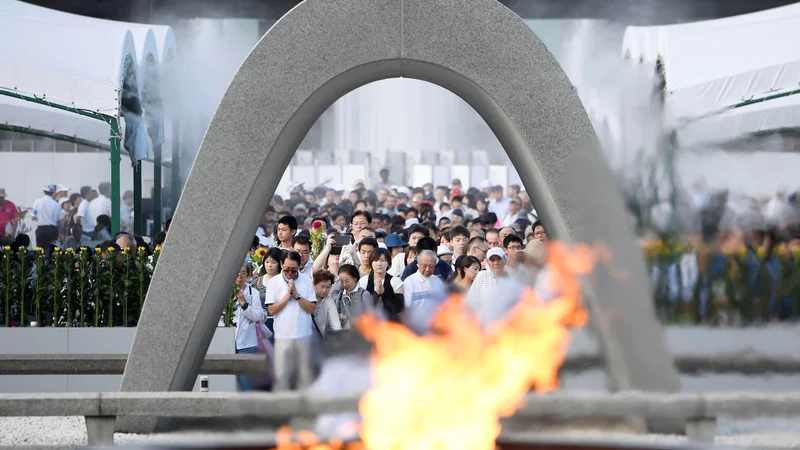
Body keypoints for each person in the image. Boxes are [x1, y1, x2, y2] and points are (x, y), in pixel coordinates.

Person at [265, 251, 317, 391]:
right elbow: (271, 310)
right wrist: (287, 297)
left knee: (304, 374)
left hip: (304, 335)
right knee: (282, 375)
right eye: (286, 269)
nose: (289, 272)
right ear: (281, 264)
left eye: (293, 270)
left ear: (299, 266)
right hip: (283, 336)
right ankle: (281, 408)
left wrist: (297, 296)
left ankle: (303, 408)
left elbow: (312, 308)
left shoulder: (306, 281)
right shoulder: (274, 282)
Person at [233, 263, 265, 391]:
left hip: (247, 342)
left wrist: (244, 303)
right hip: (226, 340)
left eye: (243, 273)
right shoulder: (224, 292)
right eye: (237, 273)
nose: (240, 276)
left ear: (248, 275)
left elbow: (258, 315)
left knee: (245, 380)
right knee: (228, 380)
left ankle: (246, 408)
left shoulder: (254, 293)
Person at [401, 250, 446, 329]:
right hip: (415, 328)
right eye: (424, 266)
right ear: (418, 264)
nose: (428, 269)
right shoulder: (410, 282)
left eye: (431, 266)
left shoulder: (438, 282)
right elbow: (406, 309)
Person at [359, 248, 404, 321]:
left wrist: (384, 294)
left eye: (383, 260)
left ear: (388, 263)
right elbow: (362, 308)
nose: (379, 264)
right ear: (371, 263)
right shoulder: (363, 281)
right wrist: (376, 294)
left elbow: (399, 308)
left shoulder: (396, 282)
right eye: (376, 260)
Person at [333, 264, 376, 329]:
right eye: (341, 282)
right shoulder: (340, 295)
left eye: (347, 281)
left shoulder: (364, 295)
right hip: (344, 334)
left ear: (355, 278)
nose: (344, 284)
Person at [30, 184, 63, 249]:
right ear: (53, 192)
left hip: (41, 230)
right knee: (52, 251)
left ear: (44, 192)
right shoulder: (56, 204)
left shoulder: (37, 202)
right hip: (52, 230)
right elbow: (60, 220)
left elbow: (32, 216)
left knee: (40, 251)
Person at [312, 270, 342, 339]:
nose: (324, 290)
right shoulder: (307, 298)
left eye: (328, 287)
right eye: (322, 286)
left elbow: (336, 325)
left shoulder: (329, 301)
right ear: (314, 283)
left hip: (321, 341)